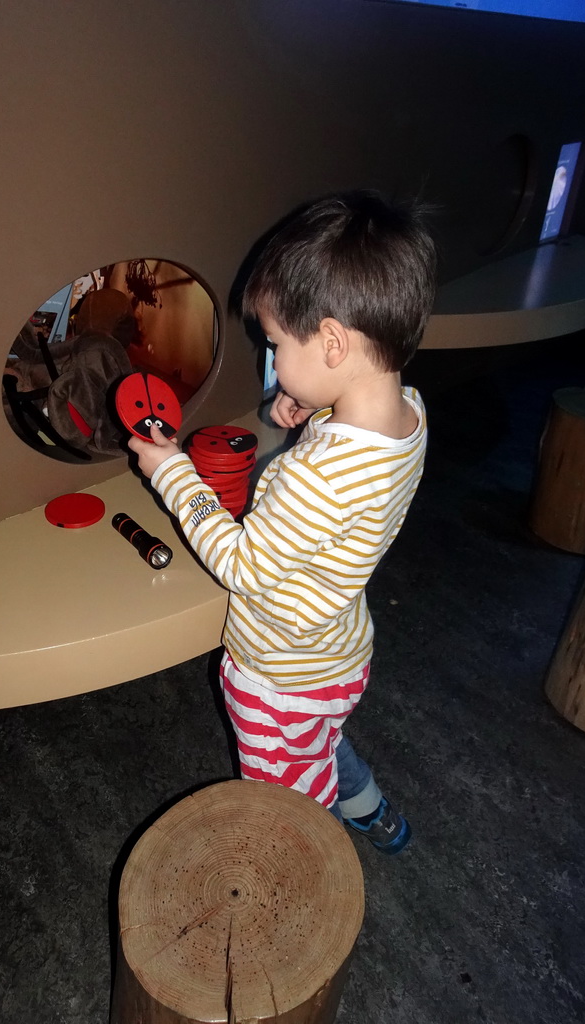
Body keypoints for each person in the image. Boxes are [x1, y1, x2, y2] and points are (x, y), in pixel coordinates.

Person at [128, 191, 437, 854]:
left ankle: (300, 876)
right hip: (339, 652)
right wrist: (312, 403)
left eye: (273, 345)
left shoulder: (317, 476)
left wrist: (173, 473)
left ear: (331, 342)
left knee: (284, 809)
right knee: (321, 741)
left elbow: (242, 563)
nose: (270, 357)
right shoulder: (406, 412)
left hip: (281, 675)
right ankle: (368, 807)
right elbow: (345, 472)